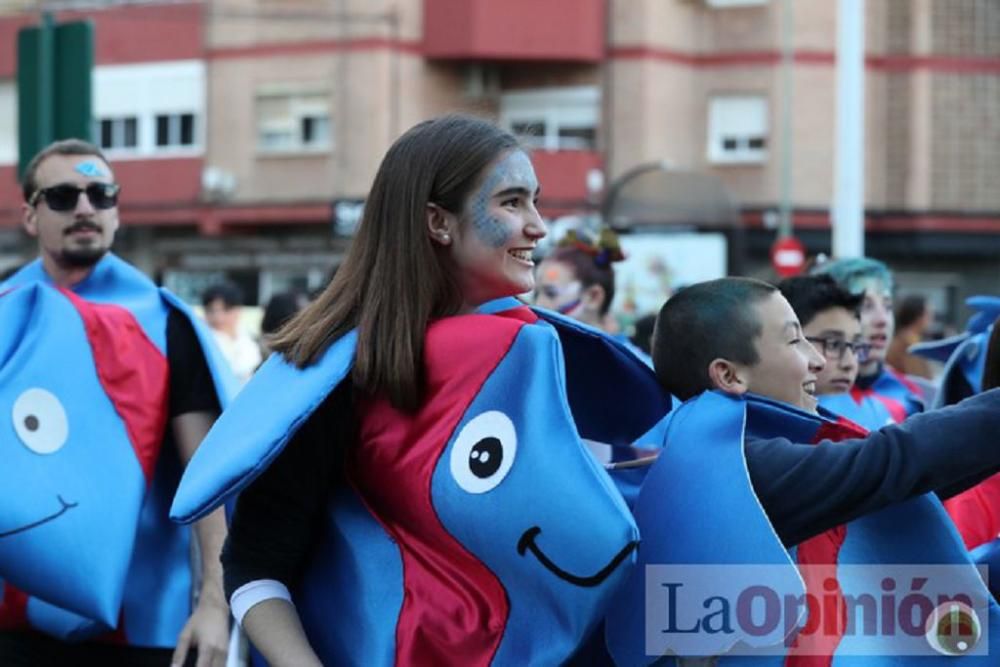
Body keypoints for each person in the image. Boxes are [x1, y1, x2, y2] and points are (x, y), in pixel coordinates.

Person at [169, 115, 665, 666]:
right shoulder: (337, 372)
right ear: (438, 221)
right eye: (512, 202)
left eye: (535, 202)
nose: (538, 226)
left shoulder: (542, 351)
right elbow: (256, 562)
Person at [607, 277, 1000, 664]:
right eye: (796, 340)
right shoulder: (736, 469)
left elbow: (906, 480)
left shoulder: (702, 453)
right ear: (729, 375)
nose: (818, 359)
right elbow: (893, 462)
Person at [0, 139, 233, 667]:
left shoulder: (165, 322)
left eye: (101, 194)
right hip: (16, 617)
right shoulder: (6, 315)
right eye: (62, 196)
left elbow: (207, 475)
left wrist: (215, 604)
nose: (85, 207)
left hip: (145, 620)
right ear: (30, 215)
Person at [812, 257, 925, 421]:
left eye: (888, 306)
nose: (882, 320)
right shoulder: (808, 396)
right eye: (866, 306)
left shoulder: (913, 396)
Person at [777, 274, 892, 428]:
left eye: (856, 346)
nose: (849, 364)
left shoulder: (880, 416)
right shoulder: (747, 427)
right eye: (833, 344)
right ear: (789, 338)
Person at [533, 228, 625, 333]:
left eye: (551, 293)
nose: (538, 304)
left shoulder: (618, 349)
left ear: (593, 297)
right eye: (536, 294)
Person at [202, 281, 262, 386]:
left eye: (225, 309)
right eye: (211, 310)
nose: (218, 317)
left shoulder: (247, 337)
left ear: (238, 309)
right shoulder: (202, 339)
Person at [887, 294, 936, 380]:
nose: (932, 318)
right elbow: (920, 379)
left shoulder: (911, 341)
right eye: (928, 314)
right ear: (917, 316)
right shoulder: (907, 345)